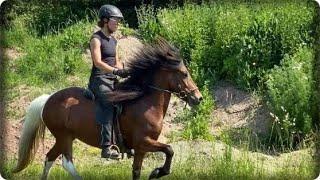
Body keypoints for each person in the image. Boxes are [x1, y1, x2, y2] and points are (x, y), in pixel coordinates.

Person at [88, 4, 129, 159]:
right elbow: (98, 62)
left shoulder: (113, 40)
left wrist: (124, 71)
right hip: (99, 80)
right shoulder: (96, 39)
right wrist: (114, 70)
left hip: (112, 79)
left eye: (119, 21)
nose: (118, 24)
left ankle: (124, 142)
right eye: (115, 20)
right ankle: (106, 147)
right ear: (105, 20)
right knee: (109, 102)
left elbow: (116, 61)